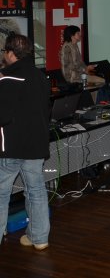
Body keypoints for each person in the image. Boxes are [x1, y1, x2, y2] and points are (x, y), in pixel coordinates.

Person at [0, 34, 52, 250]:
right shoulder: (40, 76)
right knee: (36, 191)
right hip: (36, 144)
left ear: (11, 53)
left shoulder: (8, 79)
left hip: (11, 147)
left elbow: (2, 116)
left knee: (1, 194)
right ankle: (39, 238)